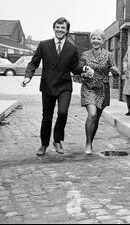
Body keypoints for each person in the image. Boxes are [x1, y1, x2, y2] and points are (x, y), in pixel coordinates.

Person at [22, 17, 93, 156]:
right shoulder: (44, 45)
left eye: (63, 28)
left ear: (67, 30)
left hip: (64, 85)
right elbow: (33, 63)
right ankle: (43, 144)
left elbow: (74, 67)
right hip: (48, 85)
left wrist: (84, 68)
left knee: (62, 112)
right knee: (47, 117)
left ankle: (57, 140)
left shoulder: (72, 48)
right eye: (58, 27)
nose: (60, 30)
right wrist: (27, 77)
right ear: (54, 28)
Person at [80, 30, 120, 154]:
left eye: (98, 39)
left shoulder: (109, 55)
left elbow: (116, 73)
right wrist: (84, 74)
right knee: (92, 114)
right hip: (89, 87)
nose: (96, 41)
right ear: (90, 40)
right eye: (93, 38)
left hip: (102, 89)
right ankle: (87, 143)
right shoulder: (85, 54)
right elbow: (79, 71)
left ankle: (90, 142)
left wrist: (115, 71)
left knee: (96, 118)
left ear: (103, 41)